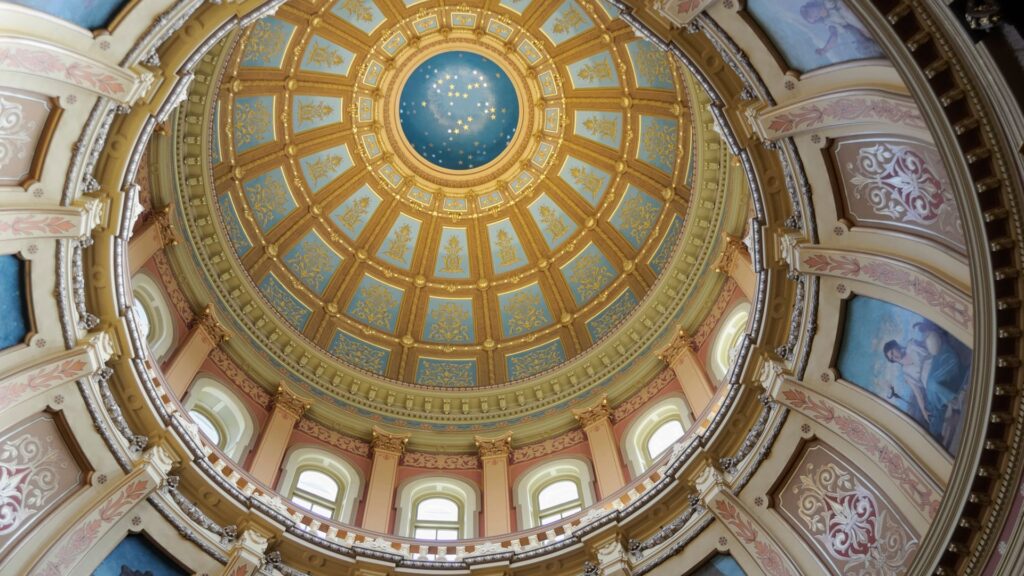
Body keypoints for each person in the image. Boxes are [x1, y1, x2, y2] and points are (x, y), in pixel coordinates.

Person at [883, 320, 968, 449]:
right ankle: (936, 444)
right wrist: (923, 410)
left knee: (932, 384)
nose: (894, 357)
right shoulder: (906, 373)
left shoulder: (911, 345)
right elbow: (917, 392)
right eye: (891, 358)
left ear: (896, 346)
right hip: (930, 387)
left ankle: (956, 401)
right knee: (931, 411)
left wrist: (926, 329)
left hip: (941, 365)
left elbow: (931, 344)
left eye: (893, 352)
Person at [799, 0, 879, 56]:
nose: (812, 13)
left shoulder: (826, 2)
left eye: (809, 11)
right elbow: (834, 36)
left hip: (860, 4)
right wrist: (825, 49)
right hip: (861, 21)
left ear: (811, 5)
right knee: (868, 33)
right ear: (815, 18)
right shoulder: (829, 22)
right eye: (811, 15)